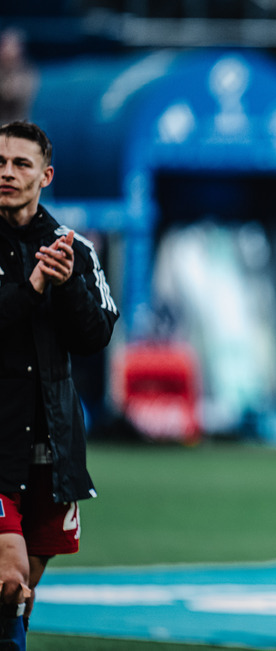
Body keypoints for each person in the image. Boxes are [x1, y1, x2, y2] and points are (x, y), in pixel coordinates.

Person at [0, 121, 119, 650]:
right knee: (8, 581)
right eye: (0, 163)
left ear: (45, 175)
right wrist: (33, 287)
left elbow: (94, 337)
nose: (7, 173)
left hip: (53, 452)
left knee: (20, 597)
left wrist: (67, 284)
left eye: (21, 164)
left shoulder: (75, 249)